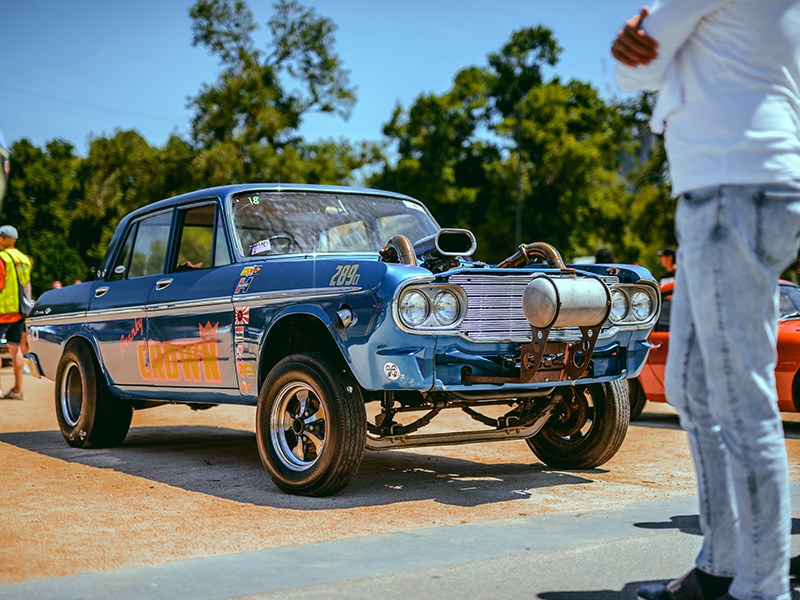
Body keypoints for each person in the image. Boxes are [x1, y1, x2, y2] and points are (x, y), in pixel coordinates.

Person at [613, 2, 800, 599]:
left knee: (742, 398)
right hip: (728, 192)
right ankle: (721, 566)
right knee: (692, 384)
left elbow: (634, 66)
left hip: (730, 190)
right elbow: (640, 65)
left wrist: (642, 46)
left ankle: (761, 588)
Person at [0, 225, 32, 400]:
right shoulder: (23, 259)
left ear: (3, 238)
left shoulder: (2, 258)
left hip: (3, 309)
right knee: (16, 348)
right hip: (19, 311)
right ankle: (18, 389)